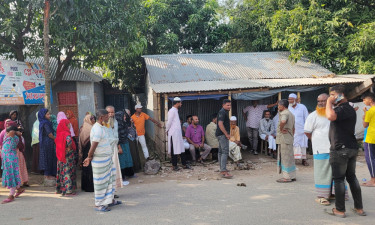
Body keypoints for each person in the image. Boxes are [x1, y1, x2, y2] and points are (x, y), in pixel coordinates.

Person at [324, 84, 365, 217]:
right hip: (350, 147)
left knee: (339, 179)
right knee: (352, 178)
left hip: (340, 149)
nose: (330, 98)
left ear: (340, 95)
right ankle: (359, 208)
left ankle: (340, 210)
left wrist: (329, 102)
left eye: (332, 95)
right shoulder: (347, 109)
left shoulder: (343, 109)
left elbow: (330, 116)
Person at [83, 109, 121, 212]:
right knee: (101, 182)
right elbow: (94, 145)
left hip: (107, 159)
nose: (108, 118)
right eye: (106, 116)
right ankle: (99, 204)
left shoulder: (102, 127)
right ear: (101, 118)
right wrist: (89, 157)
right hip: (100, 160)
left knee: (109, 180)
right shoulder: (98, 129)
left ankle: (110, 200)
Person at [304, 94, 333, 205]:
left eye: (324, 101)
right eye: (319, 101)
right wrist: (316, 141)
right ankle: (322, 196)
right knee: (322, 172)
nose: (321, 103)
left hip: (334, 149)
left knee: (335, 172)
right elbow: (307, 131)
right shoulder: (313, 116)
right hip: (320, 149)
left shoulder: (334, 113)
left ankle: (334, 193)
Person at [1, 126, 25, 204]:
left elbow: (13, 134)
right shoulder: (8, 137)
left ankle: (11, 195)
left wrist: (16, 132)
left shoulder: (14, 138)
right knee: (13, 175)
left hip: (11, 160)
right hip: (7, 160)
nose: (7, 134)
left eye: (8, 132)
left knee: (11, 176)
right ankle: (19, 189)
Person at [166, 98, 192, 171]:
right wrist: (167, 130)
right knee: (174, 149)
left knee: (181, 148)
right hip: (173, 133)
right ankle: (174, 165)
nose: (181, 104)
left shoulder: (175, 111)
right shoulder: (171, 111)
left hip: (177, 133)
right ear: (177, 103)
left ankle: (184, 164)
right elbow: (169, 122)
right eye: (180, 103)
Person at [275, 99, 296, 183]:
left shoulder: (284, 113)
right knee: (290, 157)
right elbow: (294, 128)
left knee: (285, 158)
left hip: (284, 138)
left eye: (279, 105)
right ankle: (292, 175)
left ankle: (286, 177)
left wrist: (281, 129)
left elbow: (283, 121)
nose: (278, 107)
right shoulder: (291, 114)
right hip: (289, 138)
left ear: (282, 106)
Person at [55, 119, 77, 196]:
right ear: (65, 125)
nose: (69, 125)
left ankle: (61, 189)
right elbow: (69, 141)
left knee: (62, 171)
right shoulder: (66, 134)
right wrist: (69, 147)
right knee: (67, 171)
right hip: (67, 156)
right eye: (68, 124)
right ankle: (68, 190)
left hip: (60, 156)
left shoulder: (58, 134)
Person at [288, 93, 309, 166]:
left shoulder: (302, 107)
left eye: (291, 99)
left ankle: (304, 160)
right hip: (291, 131)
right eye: (289, 99)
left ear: (296, 100)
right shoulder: (288, 108)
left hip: (302, 130)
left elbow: (307, 118)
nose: (289, 101)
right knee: (292, 145)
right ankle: (293, 160)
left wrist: (307, 129)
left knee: (303, 145)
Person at [105, 105, 123, 189]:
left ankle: (113, 189)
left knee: (114, 169)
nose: (111, 114)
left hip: (114, 148)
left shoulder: (115, 121)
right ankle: (109, 190)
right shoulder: (103, 124)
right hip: (106, 149)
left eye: (112, 112)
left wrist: (119, 147)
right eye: (109, 112)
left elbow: (116, 135)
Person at [38, 108, 57, 182]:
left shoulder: (42, 122)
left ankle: (48, 174)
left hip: (45, 142)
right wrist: (56, 139)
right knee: (48, 158)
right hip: (47, 142)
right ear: (43, 115)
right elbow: (50, 134)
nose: (49, 115)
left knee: (47, 157)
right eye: (48, 114)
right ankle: (47, 175)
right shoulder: (46, 123)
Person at [116, 110, 135, 180]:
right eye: (123, 116)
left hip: (125, 142)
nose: (124, 117)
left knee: (128, 158)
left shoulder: (123, 123)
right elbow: (117, 137)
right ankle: (122, 176)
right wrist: (119, 147)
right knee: (122, 160)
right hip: (121, 144)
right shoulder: (117, 125)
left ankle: (129, 173)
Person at [361, 93, 375, 187]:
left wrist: (365, 114)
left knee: (370, 158)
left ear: (370, 100)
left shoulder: (371, 111)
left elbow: (365, 124)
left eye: (364, 99)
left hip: (371, 137)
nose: (363, 101)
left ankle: (373, 180)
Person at [216, 99, 233, 178]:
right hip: (222, 135)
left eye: (230, 105)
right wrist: (226, 134)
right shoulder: (222, 112)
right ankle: (223, 171)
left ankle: (222, 168)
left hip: (220, 134)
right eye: (227, 105)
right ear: (223, 105)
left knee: (220, 152)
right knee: (225, 152)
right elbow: (220, 124)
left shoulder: (223, 112)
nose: (229, 107)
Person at [79, 114, 95, 192]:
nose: (93, 121)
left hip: (85, 150)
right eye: (92, 119)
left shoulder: (82, 128)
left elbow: (80, 142)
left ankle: (85, 186)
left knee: (86, 168)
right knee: (90, 168)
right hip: (90, 150)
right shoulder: (92, 128)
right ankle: (90, 187)